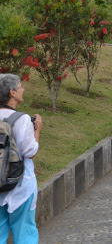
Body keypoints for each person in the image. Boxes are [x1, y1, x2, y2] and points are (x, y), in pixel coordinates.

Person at [0, 74, 42, 243]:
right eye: (20, 86)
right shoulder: (22, 119)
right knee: (24, 231)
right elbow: (30, 151)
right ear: (12, 92)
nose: (23, 89)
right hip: (20, 183)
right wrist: (37, 129)